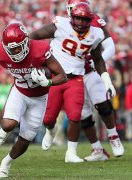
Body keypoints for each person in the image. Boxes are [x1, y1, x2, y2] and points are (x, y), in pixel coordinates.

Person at [29, 2, 114, 163]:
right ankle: (50, 130)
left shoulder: (95, 34)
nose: (81, 23)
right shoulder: (60, 25)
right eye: (78, 18)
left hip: (76, 78)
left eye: (85, 20)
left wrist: (106, 79)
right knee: (48, 119)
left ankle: (71, 153)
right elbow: (33, 37)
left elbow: (98, 59)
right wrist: (37, 63)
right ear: (72, 17)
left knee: (75, 115)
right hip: (55, 77)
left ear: (91, 20)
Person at [0, 23, 67, 178]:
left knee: (25, 139)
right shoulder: (1, 50)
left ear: (27, 41)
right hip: (19, 91)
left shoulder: (40, 50)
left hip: (39, 97)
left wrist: (48, 82)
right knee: (8, 124)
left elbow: (62, 76)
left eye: (18, 47)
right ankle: (4, 131)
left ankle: (6, 162)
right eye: (12, 48)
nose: (15, 51)